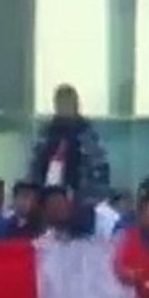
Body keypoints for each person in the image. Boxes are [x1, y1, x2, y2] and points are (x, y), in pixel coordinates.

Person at [28, 84, 110, 235]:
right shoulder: (45, 133)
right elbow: (35, 166)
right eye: (61, 103)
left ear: (76, 105)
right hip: (47, 200)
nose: (64, 107)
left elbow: (99, 168)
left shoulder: (88, 133)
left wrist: (88, 199)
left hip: (80, 201)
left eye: (68, 103)